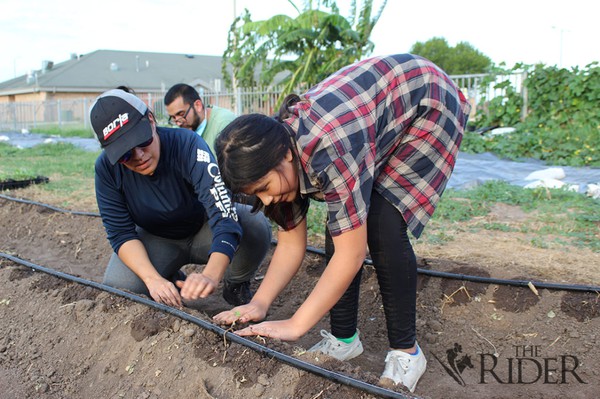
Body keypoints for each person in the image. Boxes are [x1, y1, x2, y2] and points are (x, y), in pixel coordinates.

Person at [212, 54, 471, 393]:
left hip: (427, 103)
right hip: (371, 116)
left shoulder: (329, 145)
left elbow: (351, 253)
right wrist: (259, 304)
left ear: (286, 154)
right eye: (255, 194)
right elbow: (291, 242)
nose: (267, 200)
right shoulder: (275, 167)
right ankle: (344, 339)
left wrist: (295, 324)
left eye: (264, 189)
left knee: (381, 224)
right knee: (343, 224)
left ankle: (407, 353)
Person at [90, 88, 272, 309]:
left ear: (150, 121)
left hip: (204, 228)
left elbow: (224, 215)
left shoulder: (187, 144)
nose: (139, 156)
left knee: (253, 224)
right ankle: (168, 279)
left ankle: (235, 286)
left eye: (143, 141)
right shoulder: (106, 170)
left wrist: (211, 276)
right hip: (157, 239)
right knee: (119, 288)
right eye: (125, 155)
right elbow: (120, 233)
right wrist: (152, 279)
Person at [164, 83, 236, 154]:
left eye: (181, 114)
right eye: (173, 117)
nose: (178, 123)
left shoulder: (224, 124)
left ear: (198, 105)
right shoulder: (181, 131)